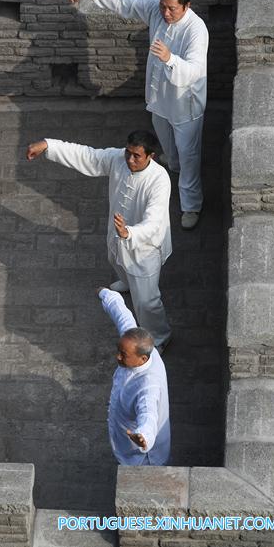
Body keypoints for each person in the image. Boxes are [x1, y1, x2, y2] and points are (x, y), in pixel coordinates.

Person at [69, 0, 208, 230]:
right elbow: (126, 0)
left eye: (171, 9)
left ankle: (190, 205)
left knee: (190, 157)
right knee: (168, 146)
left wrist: (169, 59)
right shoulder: (157, 10)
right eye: (163, 7)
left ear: (186, 6)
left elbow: (195, 72)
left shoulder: (196, 30)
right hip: (159, 101)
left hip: (184, 107)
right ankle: (172, 166)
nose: (165, 13)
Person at [26, 131, 172, 348]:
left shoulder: (159, 180)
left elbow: (154, 221)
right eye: (128, 153)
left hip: (144, 249)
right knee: (116, 262)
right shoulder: (118, 159)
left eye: (136, 156)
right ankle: (128, 283)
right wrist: (49, 145)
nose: (130, 160)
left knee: (146, 302)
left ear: (150, 156)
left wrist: (130, 233)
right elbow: (88, 156)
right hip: (117, 235)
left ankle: (159, 337)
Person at [97, 286, 171, 466]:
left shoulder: (148, 385)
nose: (118, 357)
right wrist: (106, 294)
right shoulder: (134, 343)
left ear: (142, 358)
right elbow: (123, 316)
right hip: (123, 431)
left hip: (142, 456)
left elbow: (148, 415)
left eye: (123, 355)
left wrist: (143, 437)